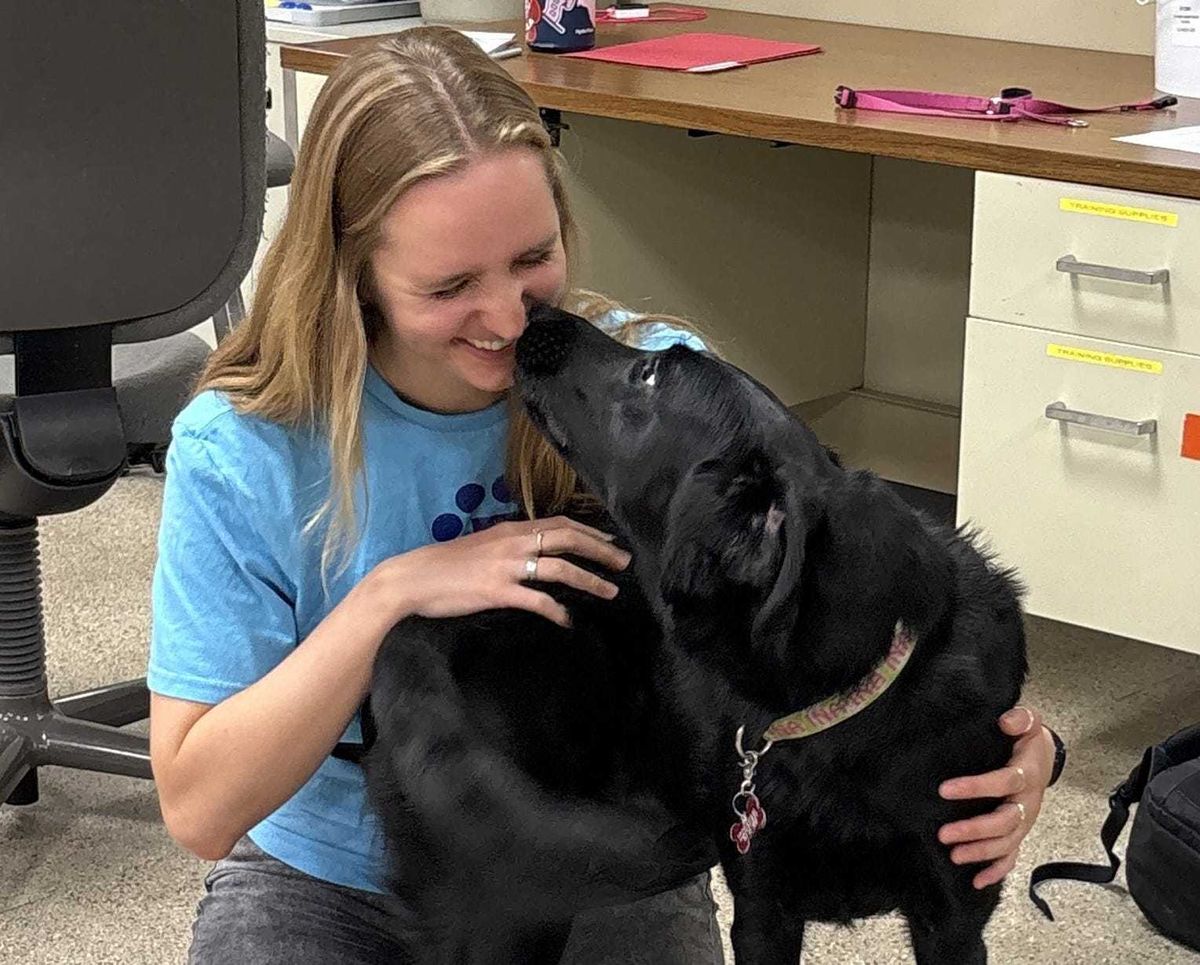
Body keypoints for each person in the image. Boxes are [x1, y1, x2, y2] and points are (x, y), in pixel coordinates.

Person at [146, 26, 1061, 964]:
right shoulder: (244, 447)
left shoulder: (662, 417)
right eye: (451, 284)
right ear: (354, 273)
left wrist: (1016, 759)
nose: (508, 319)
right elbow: (199, 808)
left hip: (604, 858)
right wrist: (391, 593)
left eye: (532, 258)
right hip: (332, 877)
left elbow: (862, 624)